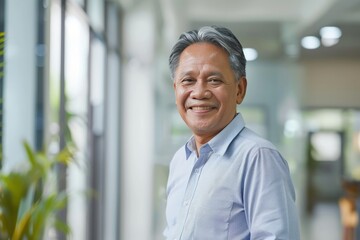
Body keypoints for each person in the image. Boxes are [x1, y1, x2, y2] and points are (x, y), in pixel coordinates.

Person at [163, 25, 300, 240]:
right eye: (188, 80)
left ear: (239, 90)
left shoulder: (258, 158)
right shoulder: (180, 160)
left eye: (214, 80)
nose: (199, 92)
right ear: (176, 90)